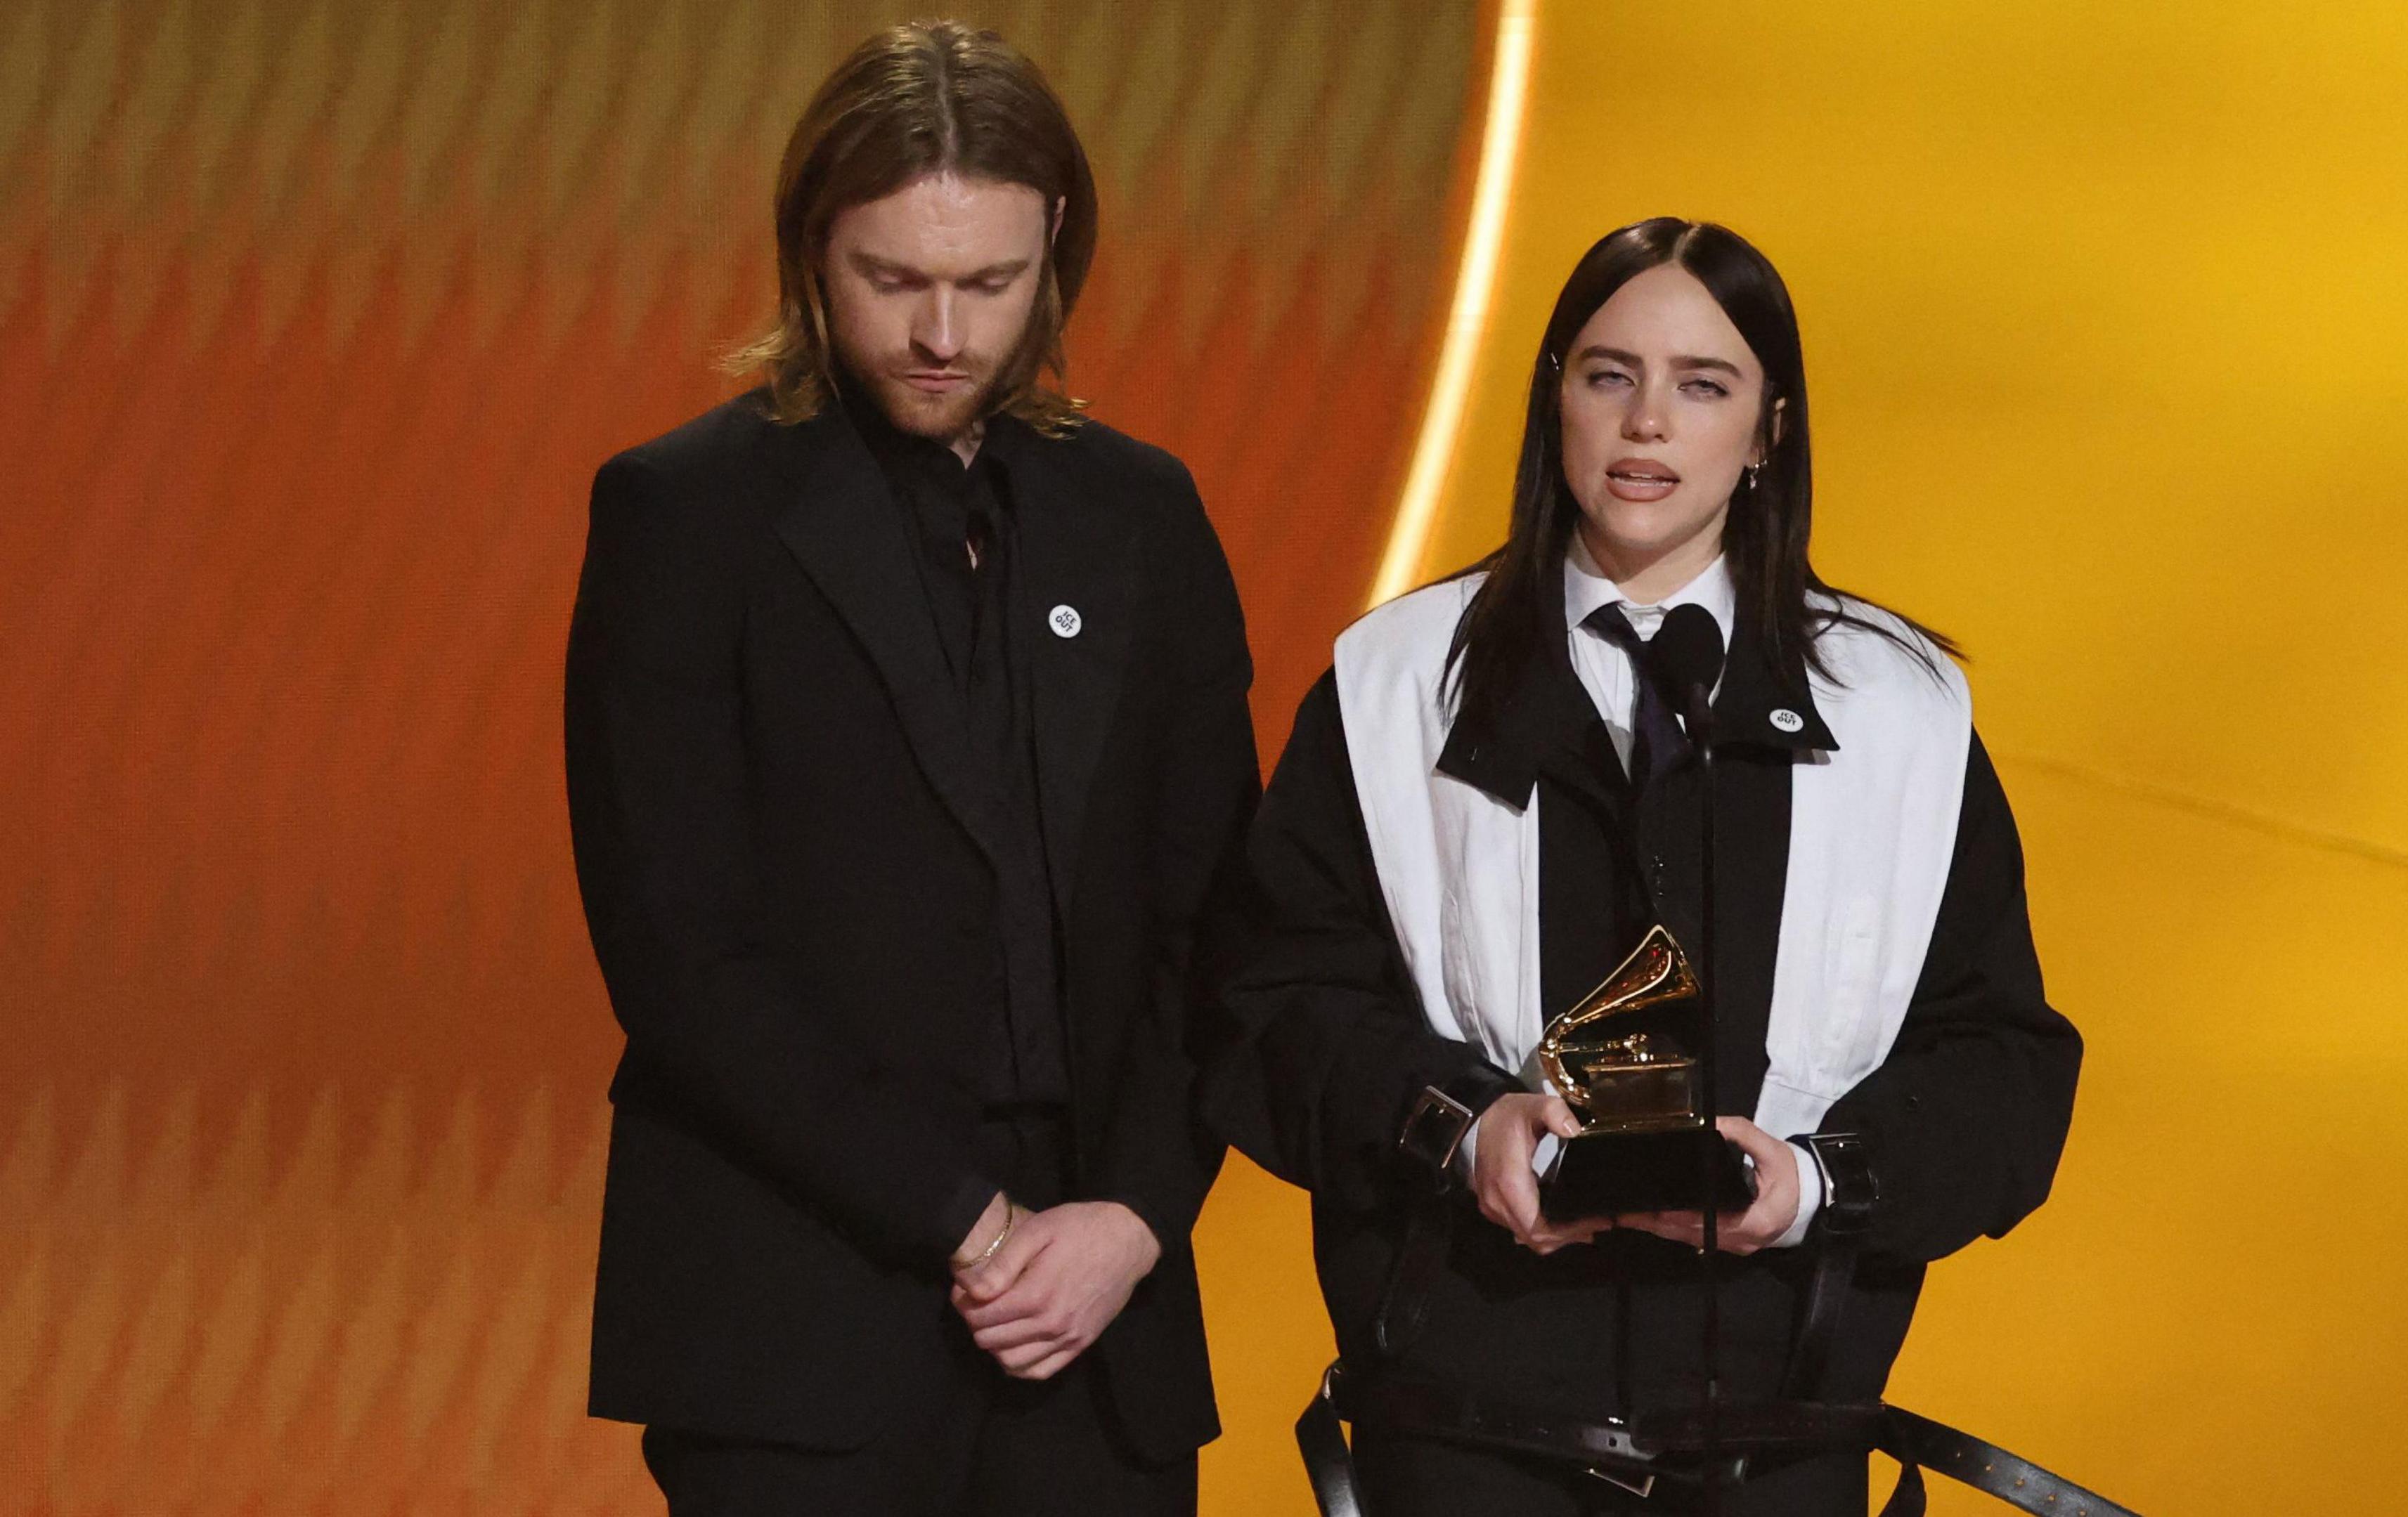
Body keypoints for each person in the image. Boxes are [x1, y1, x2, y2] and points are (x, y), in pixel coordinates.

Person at [1202, 219, 2082, 1515]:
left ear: (1769, 429)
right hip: (1465, 1438)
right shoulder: (1392, 686)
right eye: (1609, 375)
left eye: (1703, 385)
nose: (1648, 424)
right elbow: (1269, 1008)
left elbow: (2004, 1066)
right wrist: (1464, 1129)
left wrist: (1816, 1182)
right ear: (1553, 394)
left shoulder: (1902, 714)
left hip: (1779, 1438)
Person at [563, 22, 1256, 1515]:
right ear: (814, 249)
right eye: (894, 281)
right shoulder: (687, 520)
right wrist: (973, 1225)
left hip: (1098, 1326)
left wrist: (1132, 1216)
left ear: (1055, 247)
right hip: (797, 1318)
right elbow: (682, 951)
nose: (943, 331)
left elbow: (1219, 919)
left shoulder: (1142, 517)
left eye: (990, 284)